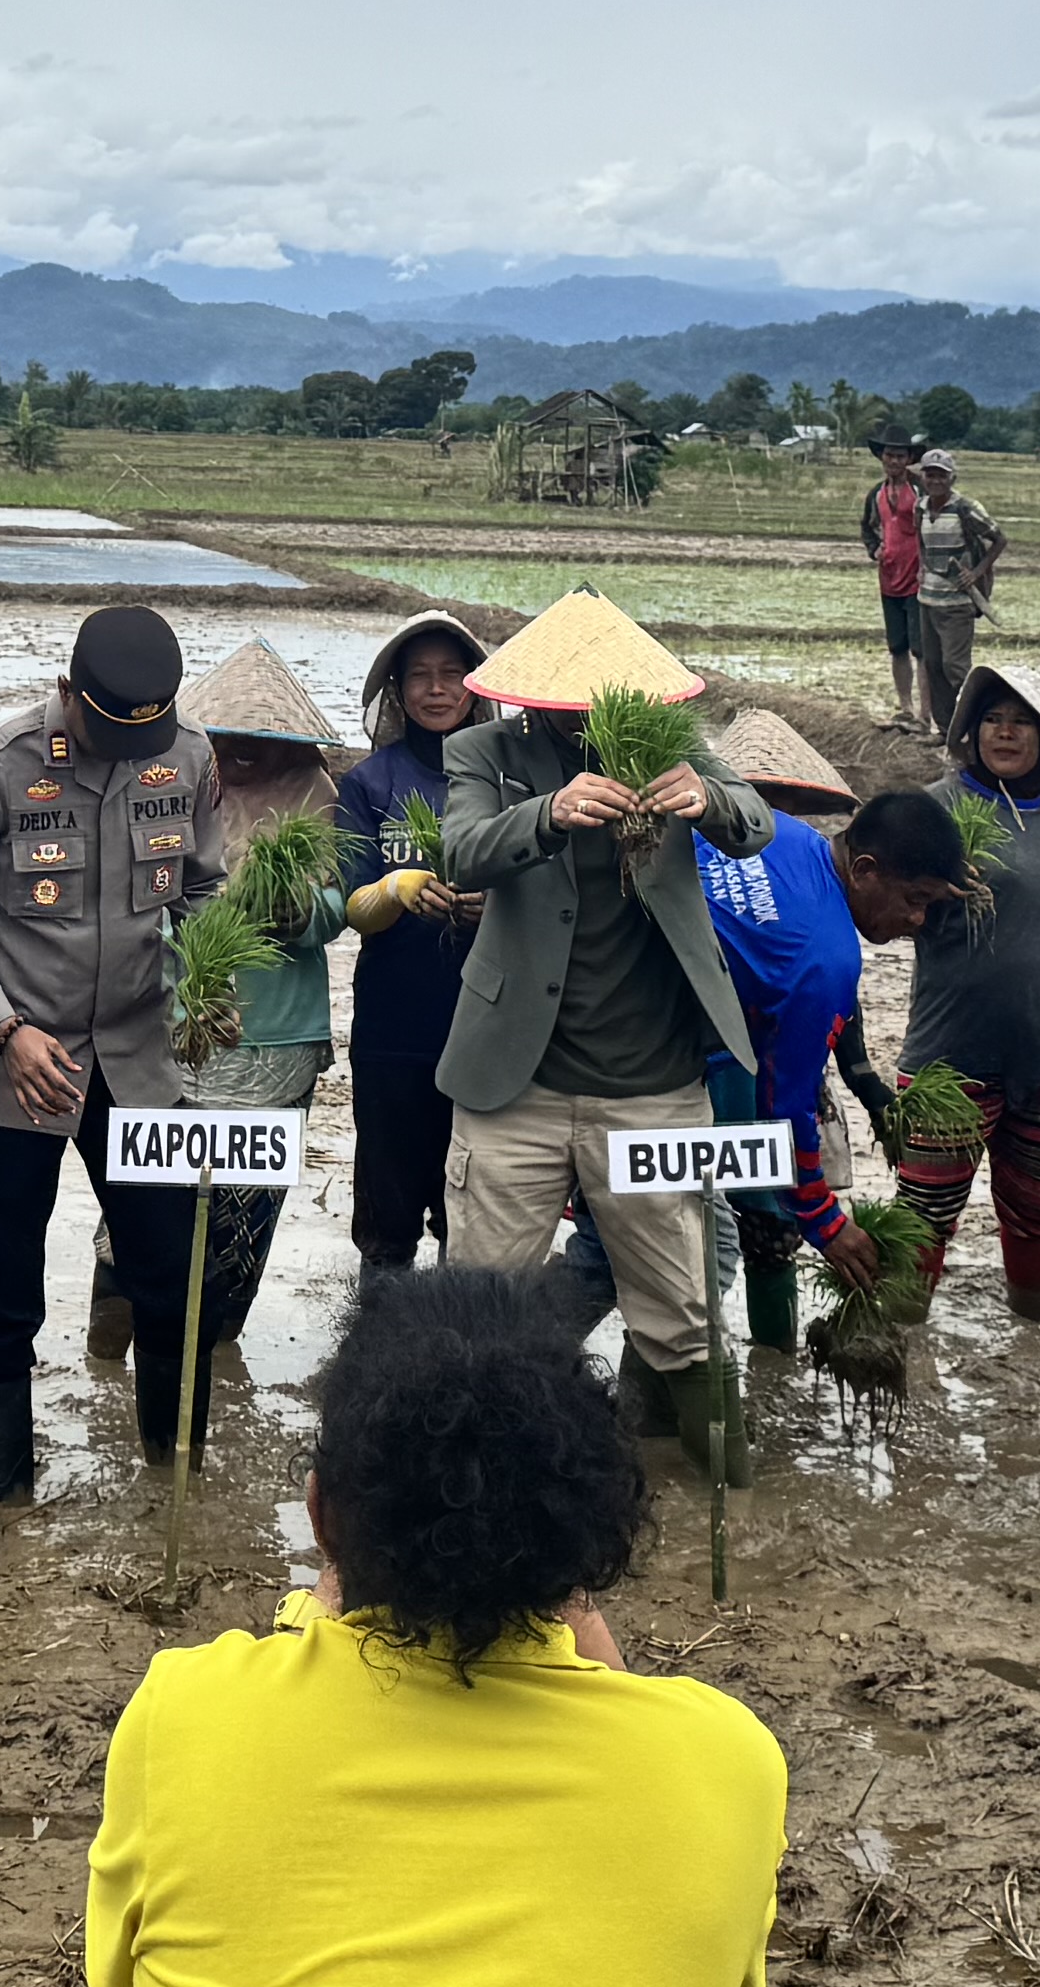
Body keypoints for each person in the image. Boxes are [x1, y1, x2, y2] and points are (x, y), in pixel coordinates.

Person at [39, 1264, 799, 1987]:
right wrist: (612, 1675)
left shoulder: (185, 1716)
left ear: (320, 1512)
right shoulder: (724, 1760)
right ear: (593, 1530)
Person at [430, 593, 772, 1472]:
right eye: (561, 699)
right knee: (483, 1301)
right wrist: (548, 813)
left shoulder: (673, 748)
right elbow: (461, 850)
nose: (578, 714)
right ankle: (474, 1485)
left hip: (652, 1085)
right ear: (530, 696)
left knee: (681, 1307)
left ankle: (721, 1495)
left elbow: (753, 822)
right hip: (516, 1087)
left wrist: (707, 798)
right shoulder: (485, 750)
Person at [0, 602, 236, 1500]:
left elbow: (204, 888)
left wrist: (209, 979)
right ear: (67, 692)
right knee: (1, 1289)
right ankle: (2, 1494)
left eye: (149, 732)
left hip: (142, 1066)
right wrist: (2, 1030)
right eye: (107, 729)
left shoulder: (189, 755)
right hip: (19, 1071)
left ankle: (176, 1484)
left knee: (174, 1279)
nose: (130, 751)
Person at [889, 658, 1040, 1323]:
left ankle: (1033, 1333)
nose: (1005, 735)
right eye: (992, 720)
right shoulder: (937, 807)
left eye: (1020, 723)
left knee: (1037, 1212)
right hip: (953, 1054)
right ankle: (894, 1343)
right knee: (924, 1215)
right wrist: (933, 896)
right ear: (970, 732)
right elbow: (884, 909)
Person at [690, 715, 903, 1358]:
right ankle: (700, 1372)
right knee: (724, 1223)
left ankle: (771, 1357)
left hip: (775, 1059)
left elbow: (829, 999)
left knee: (768, 1226)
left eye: (783, 808)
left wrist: (864, 1079)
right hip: (717, 1067)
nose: (765, 821)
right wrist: (825, 1219)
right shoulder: (701, 852)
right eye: (752, 803)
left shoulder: (804, 875)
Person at [173, 641, 347, 1359]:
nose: (242, 751)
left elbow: (337, 910)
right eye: (228, 738)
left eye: (259, 740)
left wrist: (299, 908)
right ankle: (129, 1330)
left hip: (278, 1034)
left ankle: (220, 1343)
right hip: (176, 1025)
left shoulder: (315, 794)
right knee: (160, 1195)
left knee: (245, 1205)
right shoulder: (168, 788)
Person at [327, 613, 488, 1271]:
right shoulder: (371, 783)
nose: (437, 689)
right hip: (393, 1030)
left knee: (472, 1222)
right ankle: (378, 1361)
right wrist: (395, 889)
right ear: (397, 691)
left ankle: (459, 1366)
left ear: (475, 687)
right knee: (388, 1226)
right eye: (419, 676)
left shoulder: (502, 779)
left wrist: (496, 905)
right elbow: (350, 908)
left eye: (451, 674)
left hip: (487, 1033)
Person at [908, 450, 1007, 730]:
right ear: (923, 477)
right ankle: (945, 728)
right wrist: (922, 566)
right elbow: (920, 539)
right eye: (930, 474)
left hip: (957, 602)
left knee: (956, 667)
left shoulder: (966, 508)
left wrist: (976, 573)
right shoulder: (921, 507)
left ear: (952, 478)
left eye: (942, 475)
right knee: (934, 667)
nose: (936, 480)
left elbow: (999, 539)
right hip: (927, 598)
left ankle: (971, 727)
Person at [861, 430, 933, 732]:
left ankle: (924, 716)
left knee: (921, 650)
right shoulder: (876, 493)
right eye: (889, 455)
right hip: (888, 577)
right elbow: (867, 526)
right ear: (882, 458)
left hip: (917, 578)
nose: (894, 461)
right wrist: (874, 549)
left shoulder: (920, 490)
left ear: (909, 460)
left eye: (900, 456)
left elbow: (934, 523)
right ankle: (905, 707)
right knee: (897, 647)